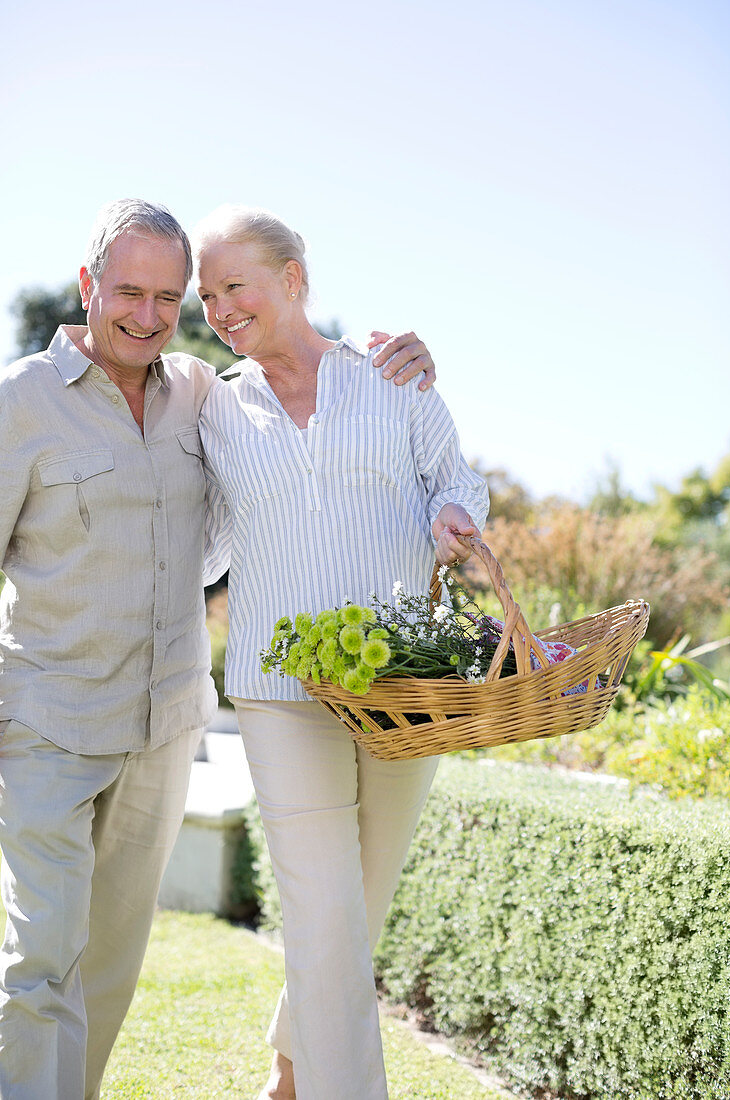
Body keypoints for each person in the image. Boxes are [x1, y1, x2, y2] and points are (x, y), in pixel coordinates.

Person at [0, 198, 436, 1100]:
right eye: (128, 292)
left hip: (163, 725)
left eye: (170, 298)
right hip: (45, 718)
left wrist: (406, 365)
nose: (148, 317)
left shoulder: (200, 394)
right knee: (38, 960)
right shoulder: (19, 404)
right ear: (88, 286)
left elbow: (298, 423)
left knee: (111, 965)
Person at [195, 204, 490, 1100]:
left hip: (407, 683)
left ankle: (292, 1069)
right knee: (322, 904)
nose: (218, 308)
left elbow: (458, 479)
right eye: (205, 295)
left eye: (233, 285)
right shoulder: (211, 408)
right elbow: (204, 544)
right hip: (281, 688)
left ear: (293, 278)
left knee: (356, 903)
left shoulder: (393, 379)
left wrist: (455, 518)